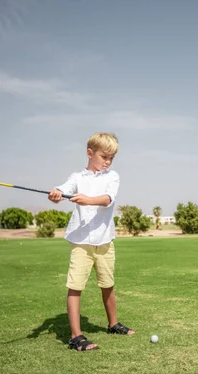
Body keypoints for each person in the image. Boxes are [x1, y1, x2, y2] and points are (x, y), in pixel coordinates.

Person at [48, 132, 135, 352]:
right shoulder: (77, 178)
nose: (107, 161)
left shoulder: (112, 176)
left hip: (105, 241)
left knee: (108, 284)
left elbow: (107, 199)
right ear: (90, 153)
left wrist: (87, 200)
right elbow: (64, 188)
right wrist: (57, 193)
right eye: (104, 156)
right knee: (75, 287)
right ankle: (76, 336)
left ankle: (113, 324)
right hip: (81, 242)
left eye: (111, 158)